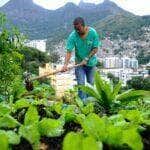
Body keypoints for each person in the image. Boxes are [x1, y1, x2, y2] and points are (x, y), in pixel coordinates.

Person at [61, 17, 101, 100]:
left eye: (79, 29)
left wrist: (87, 58)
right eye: (76, 30)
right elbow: (69, 51)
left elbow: (95, 48)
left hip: (91, 64)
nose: (77, 32)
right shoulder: (73, 35)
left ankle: (91, 104)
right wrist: (65, 65)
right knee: (81, 85)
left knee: (91, 85)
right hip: (79, 64)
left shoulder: (93, 33)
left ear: (84, 26)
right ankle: (82, 105)